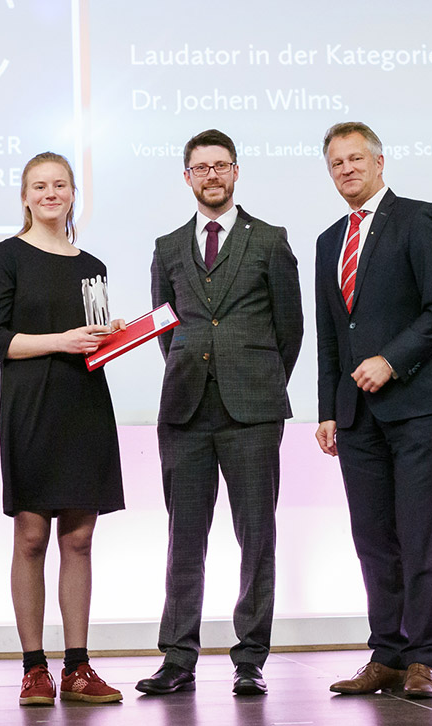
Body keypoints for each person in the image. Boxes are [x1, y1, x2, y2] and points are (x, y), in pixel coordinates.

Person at [136, 129, 303, 698]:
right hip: (185, 409)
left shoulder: (272, 241)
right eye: (201, 167)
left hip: (253, 410)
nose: (212, 175)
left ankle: (250, 658)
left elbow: (291, 331)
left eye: (221, 166)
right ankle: (178, 658)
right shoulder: (167, 246)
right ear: (187, 177)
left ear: (236, 172)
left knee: (256, 537)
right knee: (185, 537)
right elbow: (167, 326)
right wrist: (195, 368)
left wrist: (253, 374)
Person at [313, 121, 432, 699]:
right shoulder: (329, 239)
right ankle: (388, 654)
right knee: (373, 537)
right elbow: (331, 335)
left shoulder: (418, 217)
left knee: (419, 533)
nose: (347, 169)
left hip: (420, 406)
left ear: (380, 162)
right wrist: (328, 409)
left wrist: (391, 361)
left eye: (356, 158)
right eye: (336, 163)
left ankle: (424, 658)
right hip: (355, 417)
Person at [0, 152, 126, 706]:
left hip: (84, 404)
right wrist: (62, 340)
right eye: (39, 185)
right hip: (31, 405)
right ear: (24, 195)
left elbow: (96, 348)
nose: (50, 193)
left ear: (72, 193)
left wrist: (113, 336)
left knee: (81, 539)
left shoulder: (93, 265)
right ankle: (34, 668)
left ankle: (79, 667)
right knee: (32, 536)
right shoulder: (5, 257)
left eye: (59, 184)